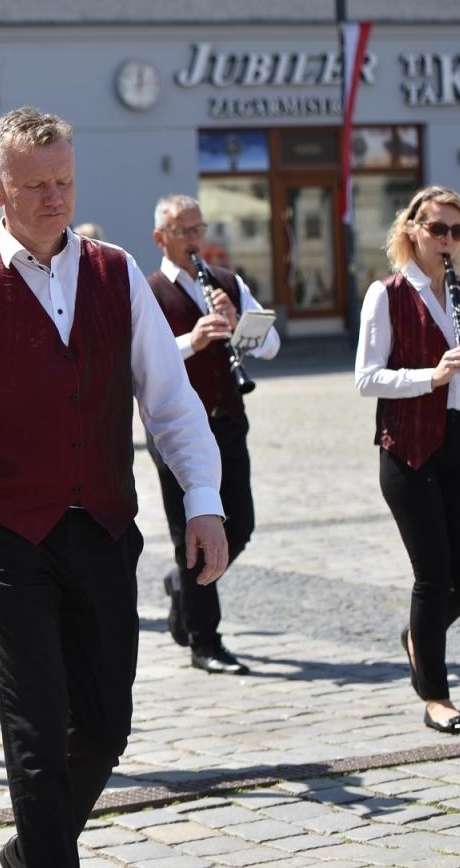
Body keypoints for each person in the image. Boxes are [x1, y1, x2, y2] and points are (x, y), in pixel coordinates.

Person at [0, 108, 227, 868]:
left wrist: (203, 504)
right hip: (6, 531)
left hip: (104, 526)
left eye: (65, 182)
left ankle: (27, 853)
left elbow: (169, 401)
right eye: (36, 185)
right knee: (35, 730)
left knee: (106, 728)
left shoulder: (114, 272)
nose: (54, 198)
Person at [354, 185, 460, 737]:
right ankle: (436, 695)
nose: (447, 240)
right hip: (409, 448)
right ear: (412, 230)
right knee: (434, 577)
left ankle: (421, 636)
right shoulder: (386, 294)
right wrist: (432, 376)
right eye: (437, 229)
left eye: (457, 231)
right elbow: (367, 378)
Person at [146, 194, 279, 674]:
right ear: (161, 237)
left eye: (198, 229)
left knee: (239, 523)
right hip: (175, 430)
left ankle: (183, 588)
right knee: (192, 535)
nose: (194, 240)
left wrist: (238, 323)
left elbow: (270, 344)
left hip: (226, 418)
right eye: (183, 232)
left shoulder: (228, 282)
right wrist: (191, 342)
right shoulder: (148, 290)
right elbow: (138, 364)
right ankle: (205, 641)